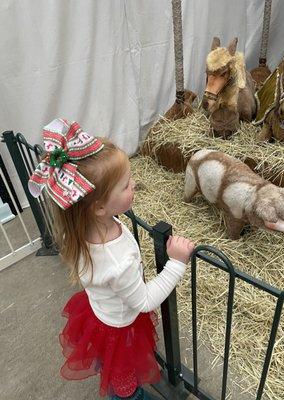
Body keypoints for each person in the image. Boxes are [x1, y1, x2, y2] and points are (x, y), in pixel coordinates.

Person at [28, 118, 195, 400]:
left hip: (100, 313)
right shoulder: (117, 261)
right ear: (100, 207)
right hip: (120, 329)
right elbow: (144, 302)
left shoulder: (84, 228)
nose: (134, 185)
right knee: (124, 386)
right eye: (126, 185)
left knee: (116, 369)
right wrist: (176, 262)